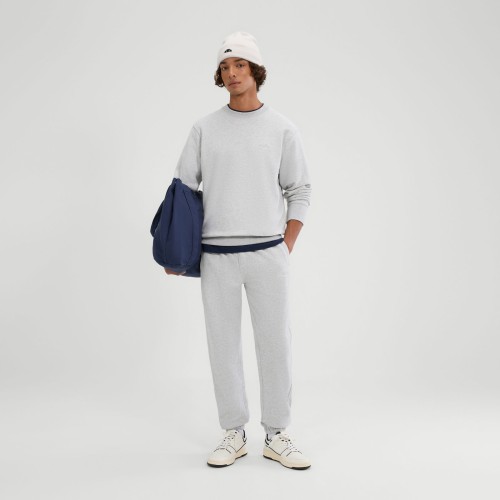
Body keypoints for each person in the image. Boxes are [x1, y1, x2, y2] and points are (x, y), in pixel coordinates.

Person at [165, 31, 312, 470]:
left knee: (275, 344)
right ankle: (234, 432)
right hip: (217, 256)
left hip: (268, 253)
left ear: (255, 70)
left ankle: (277, 434)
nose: (231, 73)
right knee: (223, 346)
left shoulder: (282, 128)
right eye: (225, 67)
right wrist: (176, 250)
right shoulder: (204, 129)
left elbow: (300, 190)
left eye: (239, 65)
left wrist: (284, 245)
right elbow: (183, 189)